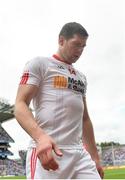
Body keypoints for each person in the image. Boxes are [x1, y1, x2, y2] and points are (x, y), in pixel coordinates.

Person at [14, 22, 104, 179]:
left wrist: (95, 157)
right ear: (61, 40)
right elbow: (20, 105)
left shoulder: (81, 77)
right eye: (76, 44)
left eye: (83, 46)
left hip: (79, 154)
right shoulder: (40, 64)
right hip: (48, 151)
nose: (80, 51)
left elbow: (85, 119)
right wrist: (40, 137)